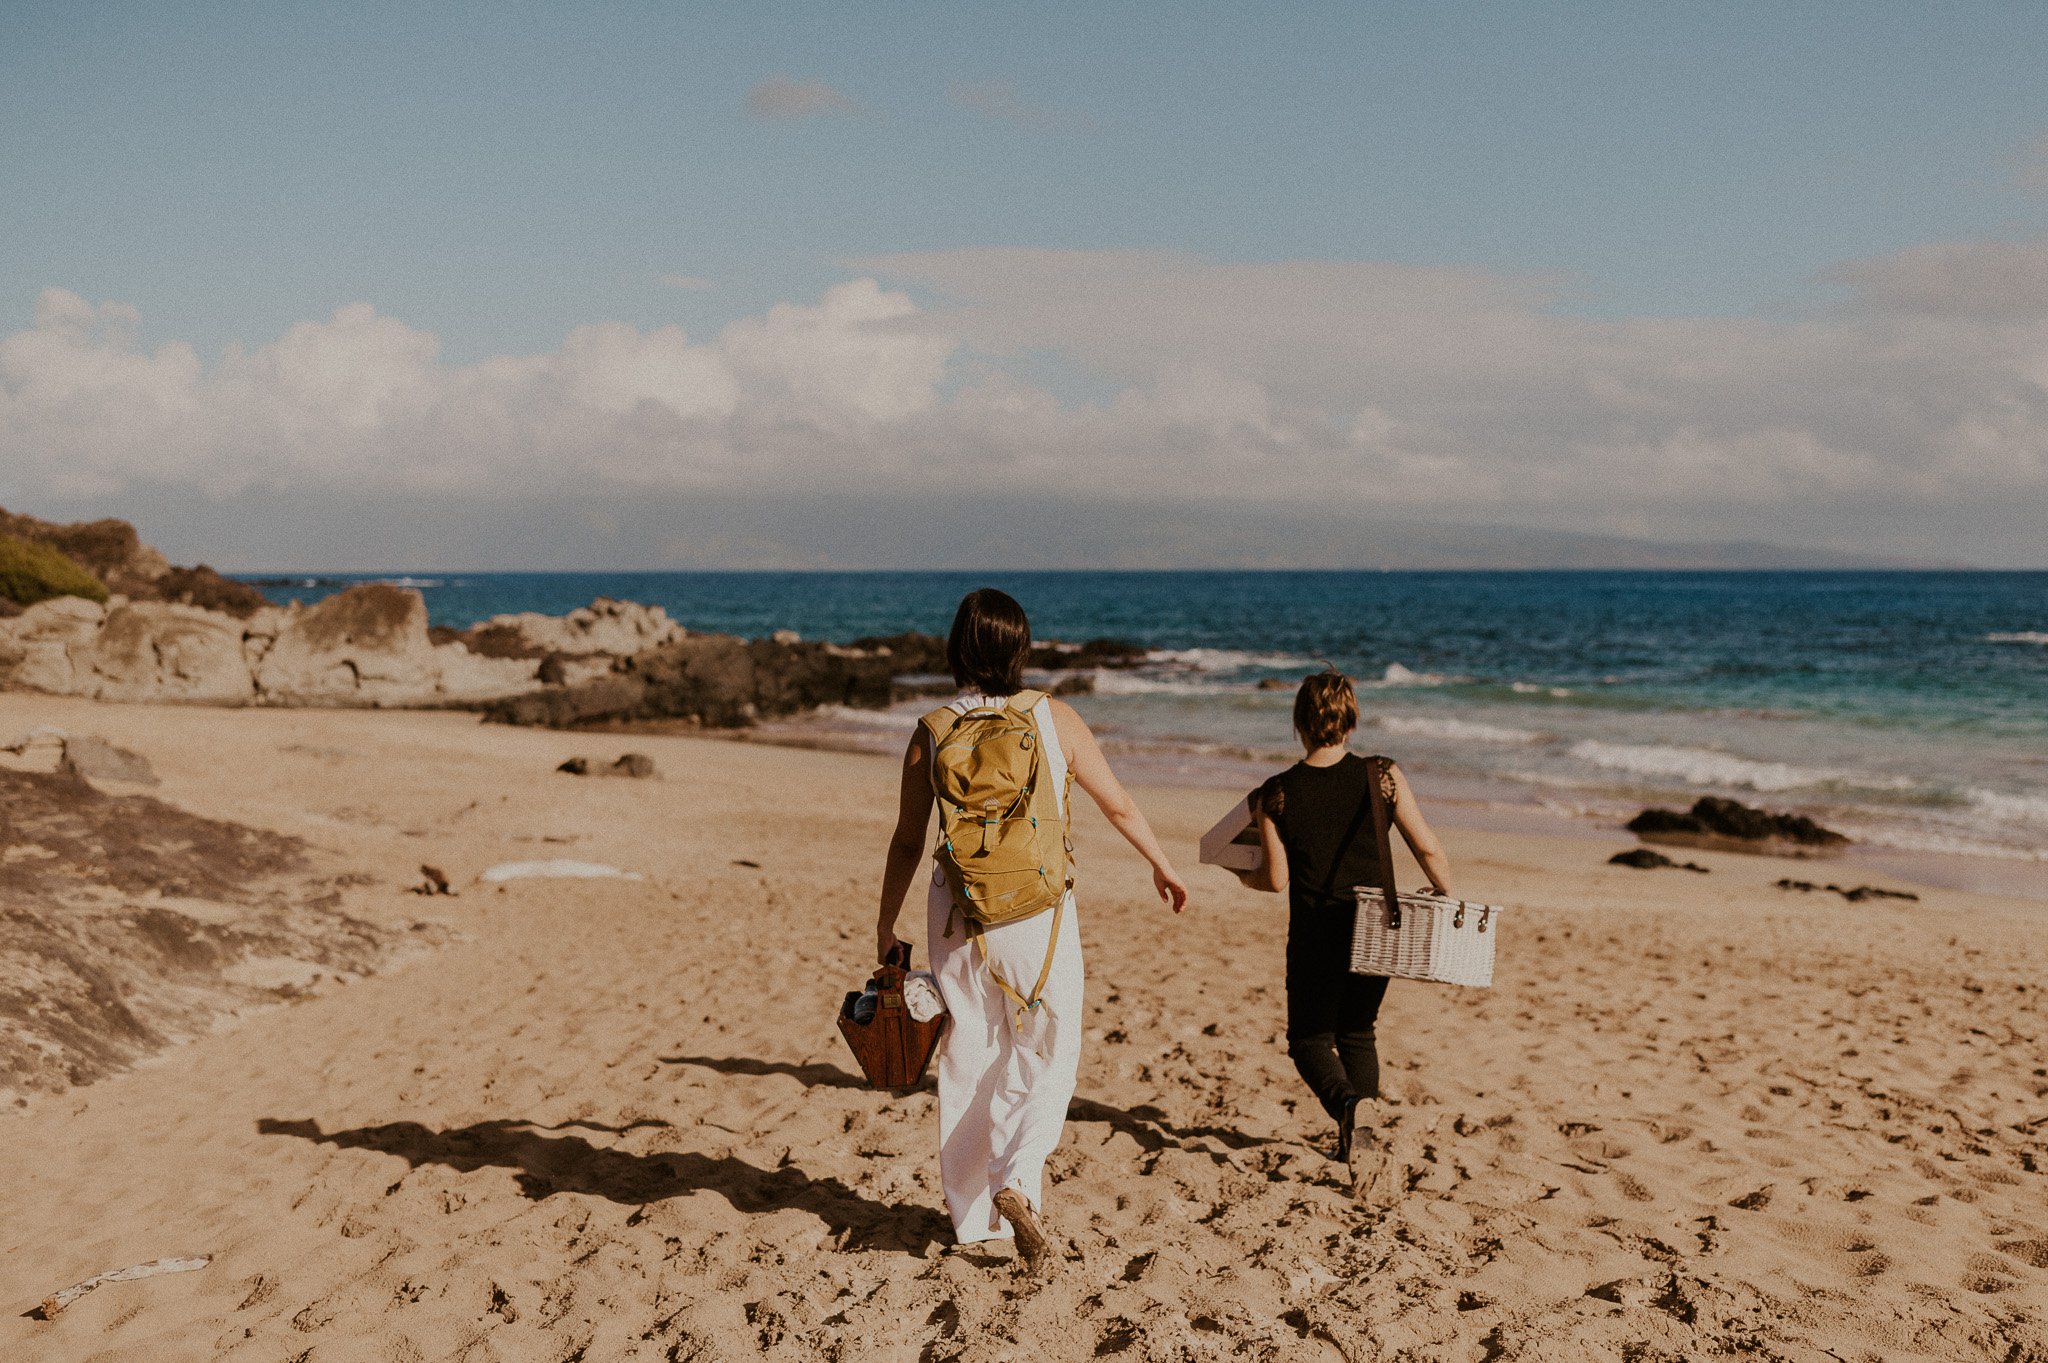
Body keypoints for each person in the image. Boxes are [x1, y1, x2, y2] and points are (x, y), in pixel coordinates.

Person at [875, 588, 1189, 1269]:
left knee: (970, 1056)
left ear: (957, 648)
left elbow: (906, 841)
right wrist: (1162, 865)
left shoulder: (929, 730)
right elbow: (1119, 803)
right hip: (1038, 913)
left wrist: (884, 924)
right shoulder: (1055, 717)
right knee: (1048, 1048)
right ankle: (1018, 1180)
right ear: (1022, 650)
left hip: (958, 914)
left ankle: (975, 1220)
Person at [1236, 668, 1453, 1165]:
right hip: (1376, 926)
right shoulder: (1381, 774)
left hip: (1316, 930)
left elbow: (1274, 879)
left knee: (1308, 1040)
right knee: (1359, 1030)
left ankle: (1350, 1109)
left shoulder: (1275, 792)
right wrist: (1442, 891)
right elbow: (1427, 846)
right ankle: (1358, 1140)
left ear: (1299, 724)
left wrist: (1242, 878)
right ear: (1350, 722)